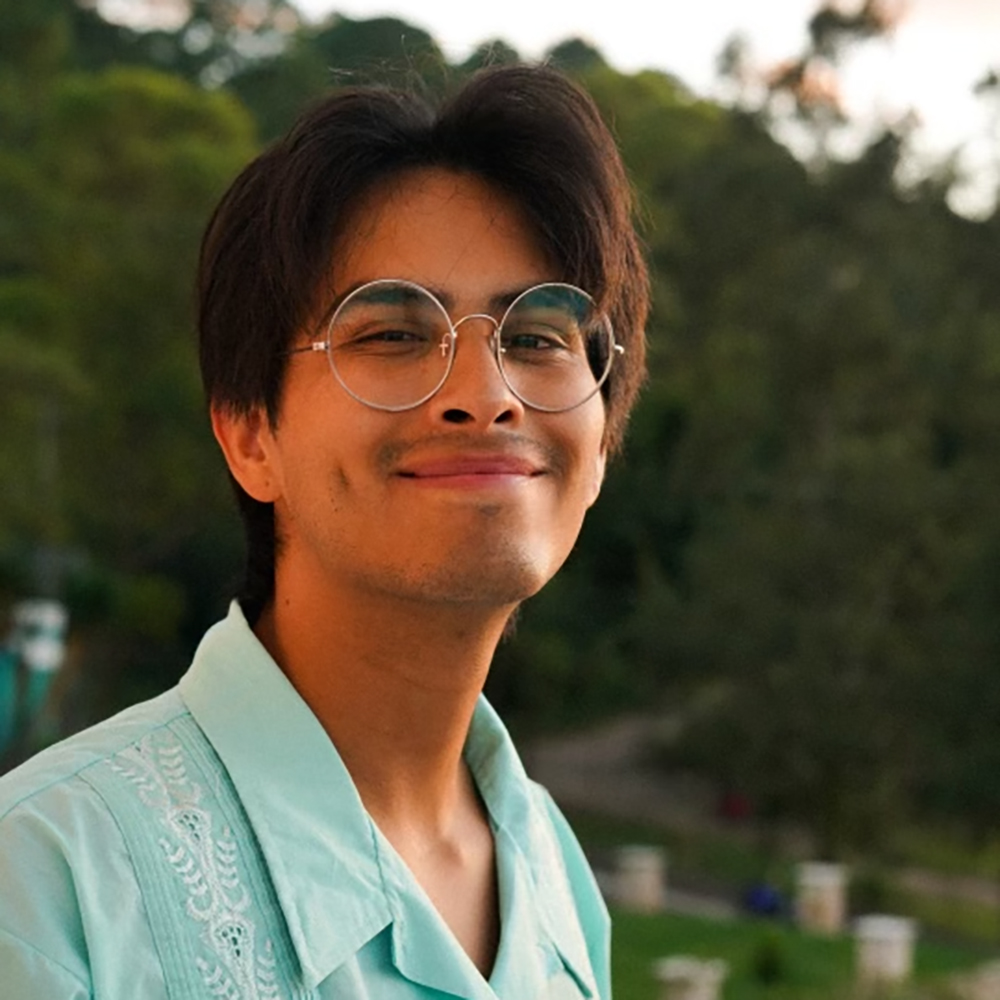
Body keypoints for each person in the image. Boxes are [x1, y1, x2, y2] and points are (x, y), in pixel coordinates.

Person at [0, 65, 648, 998]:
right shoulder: (51, 880)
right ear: (249, 435)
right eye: (392, 335)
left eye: (538, 338)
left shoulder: (554, 873)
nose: (486, 397)